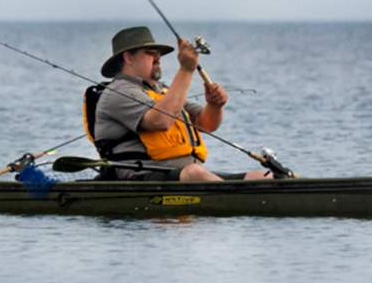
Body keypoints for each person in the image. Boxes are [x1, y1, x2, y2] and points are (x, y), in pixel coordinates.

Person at [93, 26, 271, 181]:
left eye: (159, 53)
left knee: (261, 176)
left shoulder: (161, 91)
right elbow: (160, 121)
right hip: (142, 178)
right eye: (150, 53)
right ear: (128, 58)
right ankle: (232, 203)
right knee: (195, 173)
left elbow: (206, 124)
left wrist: (215, 106)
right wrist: (186, 69)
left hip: (185, 176)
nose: (158, 57)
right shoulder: (119, 92)